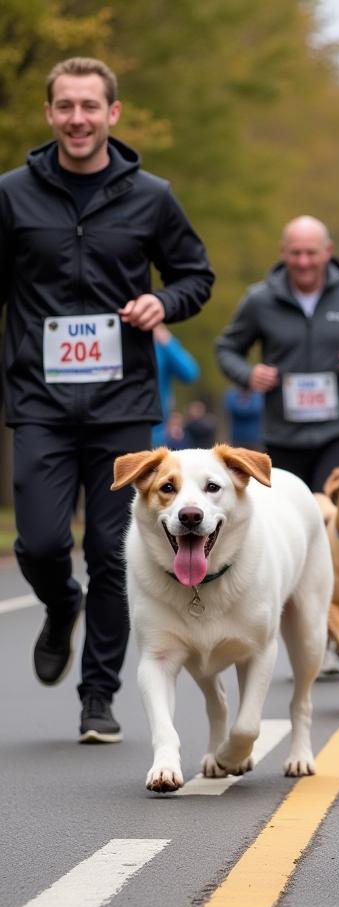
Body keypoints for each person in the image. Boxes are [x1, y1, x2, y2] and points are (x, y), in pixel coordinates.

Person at [0, 57, 214, 743]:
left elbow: (194, 274)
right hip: (40, 399)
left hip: (123, 402)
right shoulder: (12, 195)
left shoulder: (151, 196)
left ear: (112, 114)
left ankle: (99, 696)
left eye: (90, 106)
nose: (78, 118)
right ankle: (61, 605)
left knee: (114, 552)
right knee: (38, 542)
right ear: (50, 114)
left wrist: (164, 301)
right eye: (65, 106)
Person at [215, 215, 339, 492]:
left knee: (327, 508)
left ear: (327, 251)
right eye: (296, 253)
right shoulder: (259, 300)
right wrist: (248, 374)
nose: (303, 262)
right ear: (283, 253)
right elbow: (227, 348)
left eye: (311, 253)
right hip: (282, 433)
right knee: (290, 512)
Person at [152, 322, 199, 445]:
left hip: (158, 429)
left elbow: (190, 373)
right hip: (123, 423)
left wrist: (165, 338)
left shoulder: (160, 346)